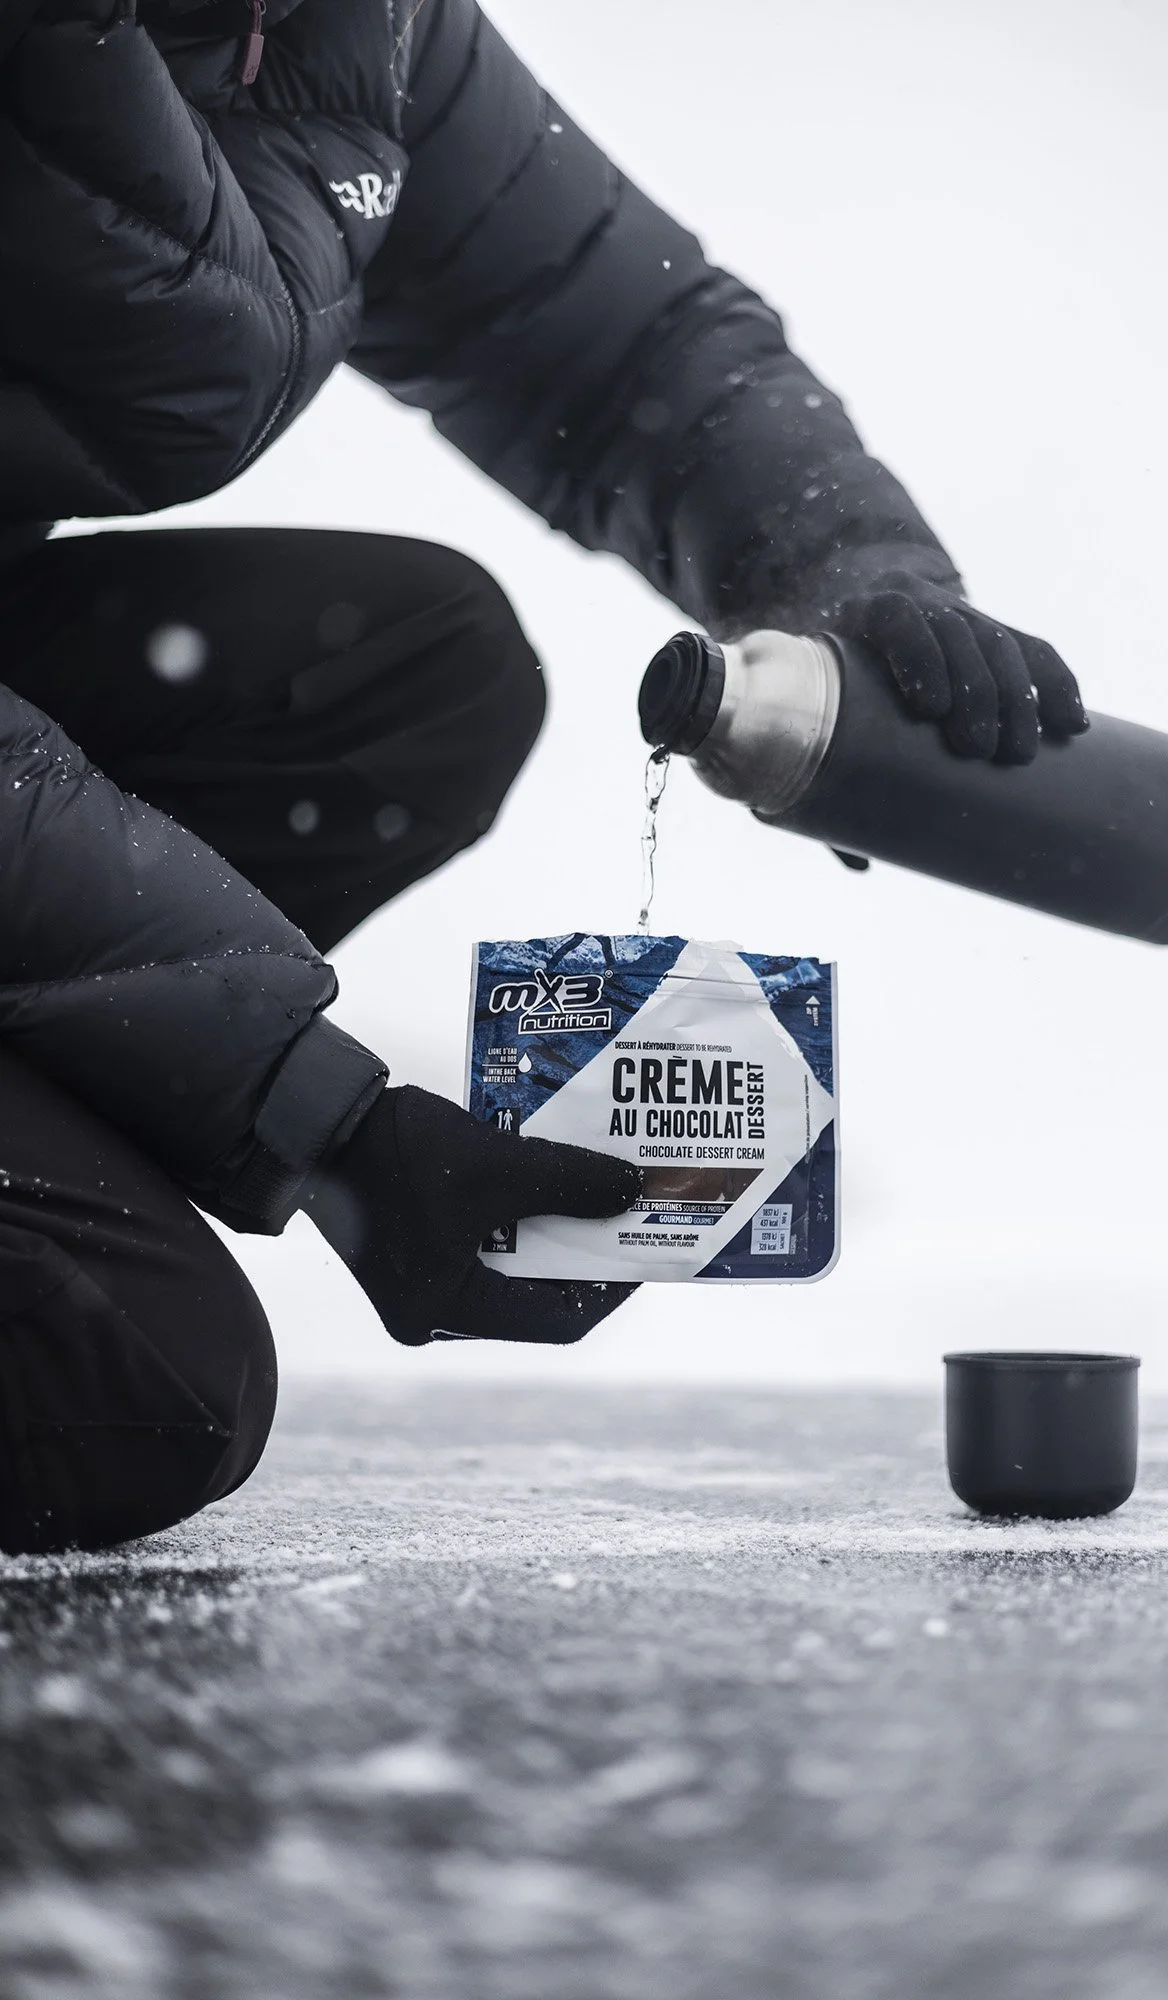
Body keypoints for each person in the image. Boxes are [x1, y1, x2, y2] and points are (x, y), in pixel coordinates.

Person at [0, 0, 1087, 1554]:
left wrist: (842, 581)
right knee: (134, 1384)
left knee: (408, 680)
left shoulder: (343, 31)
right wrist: (318, 1118)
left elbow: (616, 331)